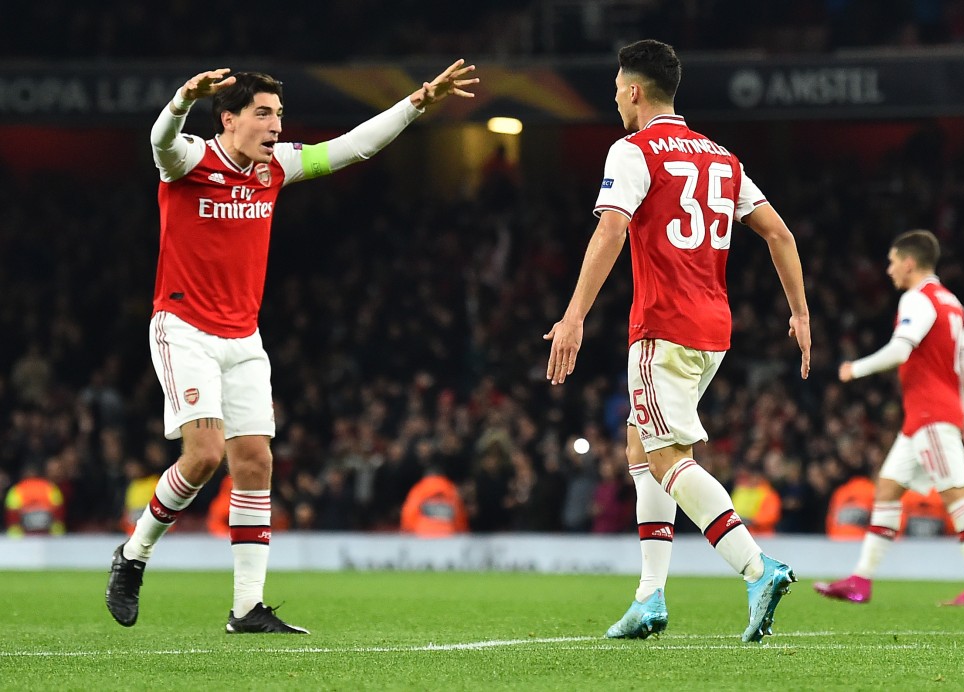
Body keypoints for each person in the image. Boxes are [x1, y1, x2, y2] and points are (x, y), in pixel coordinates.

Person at [105, 61, 479, 634]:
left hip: (244, 336)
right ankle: (133, 556)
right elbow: (160, 141)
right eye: (263, 113)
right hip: (183, 328)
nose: (276, 125)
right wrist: (180, 99)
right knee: (204, 456)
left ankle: (246, 608)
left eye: (279, 114)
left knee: (254, 462)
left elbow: (352, 148)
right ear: (228, 119)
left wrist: (417, 103)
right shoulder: (191, 161)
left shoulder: (273, 169)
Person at [544, 39, 811, 643]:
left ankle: (756, 567)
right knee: (641, 444)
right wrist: (800, 313)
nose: (614, 99)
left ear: (634, 90)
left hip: (664, 325)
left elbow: (611, 229)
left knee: (666, 458)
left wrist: (574, 316)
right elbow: (781, 235)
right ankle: (649, 596)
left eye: (617, 88)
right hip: (713, 331)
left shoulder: (634, 150)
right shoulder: (722, 158)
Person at [815, 230, 964, 606]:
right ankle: (860, 581)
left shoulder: (918, 299)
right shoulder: (951, 302)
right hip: (925, 416)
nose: (888, 269)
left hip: (931, 413)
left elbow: (901, 349)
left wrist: (855, 369)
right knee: (887, 488)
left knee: (956, 495)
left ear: (909, 262)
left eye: (892, 260)